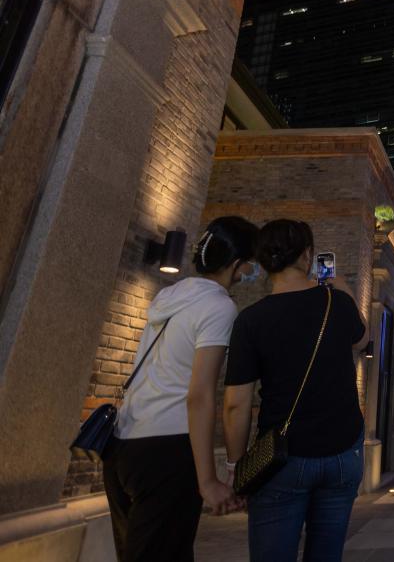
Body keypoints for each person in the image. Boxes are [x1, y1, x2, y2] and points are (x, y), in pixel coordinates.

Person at [103, 216, 259, 562]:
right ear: (237, 264)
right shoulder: (219, 307)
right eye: (251, 263)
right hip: (168, 448)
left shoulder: (169, 296)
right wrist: (208, 480)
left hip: (124, 445)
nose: (253, 271)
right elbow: (199, 394)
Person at [224, 219, 367, 562]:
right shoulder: (337, 303)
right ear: (307, 256)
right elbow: (362, 339)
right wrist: (340, 285)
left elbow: (235, 404)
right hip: (343, 452)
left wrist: (236, 465)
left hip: (282, 456)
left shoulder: (251, 320)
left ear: (262, 261)